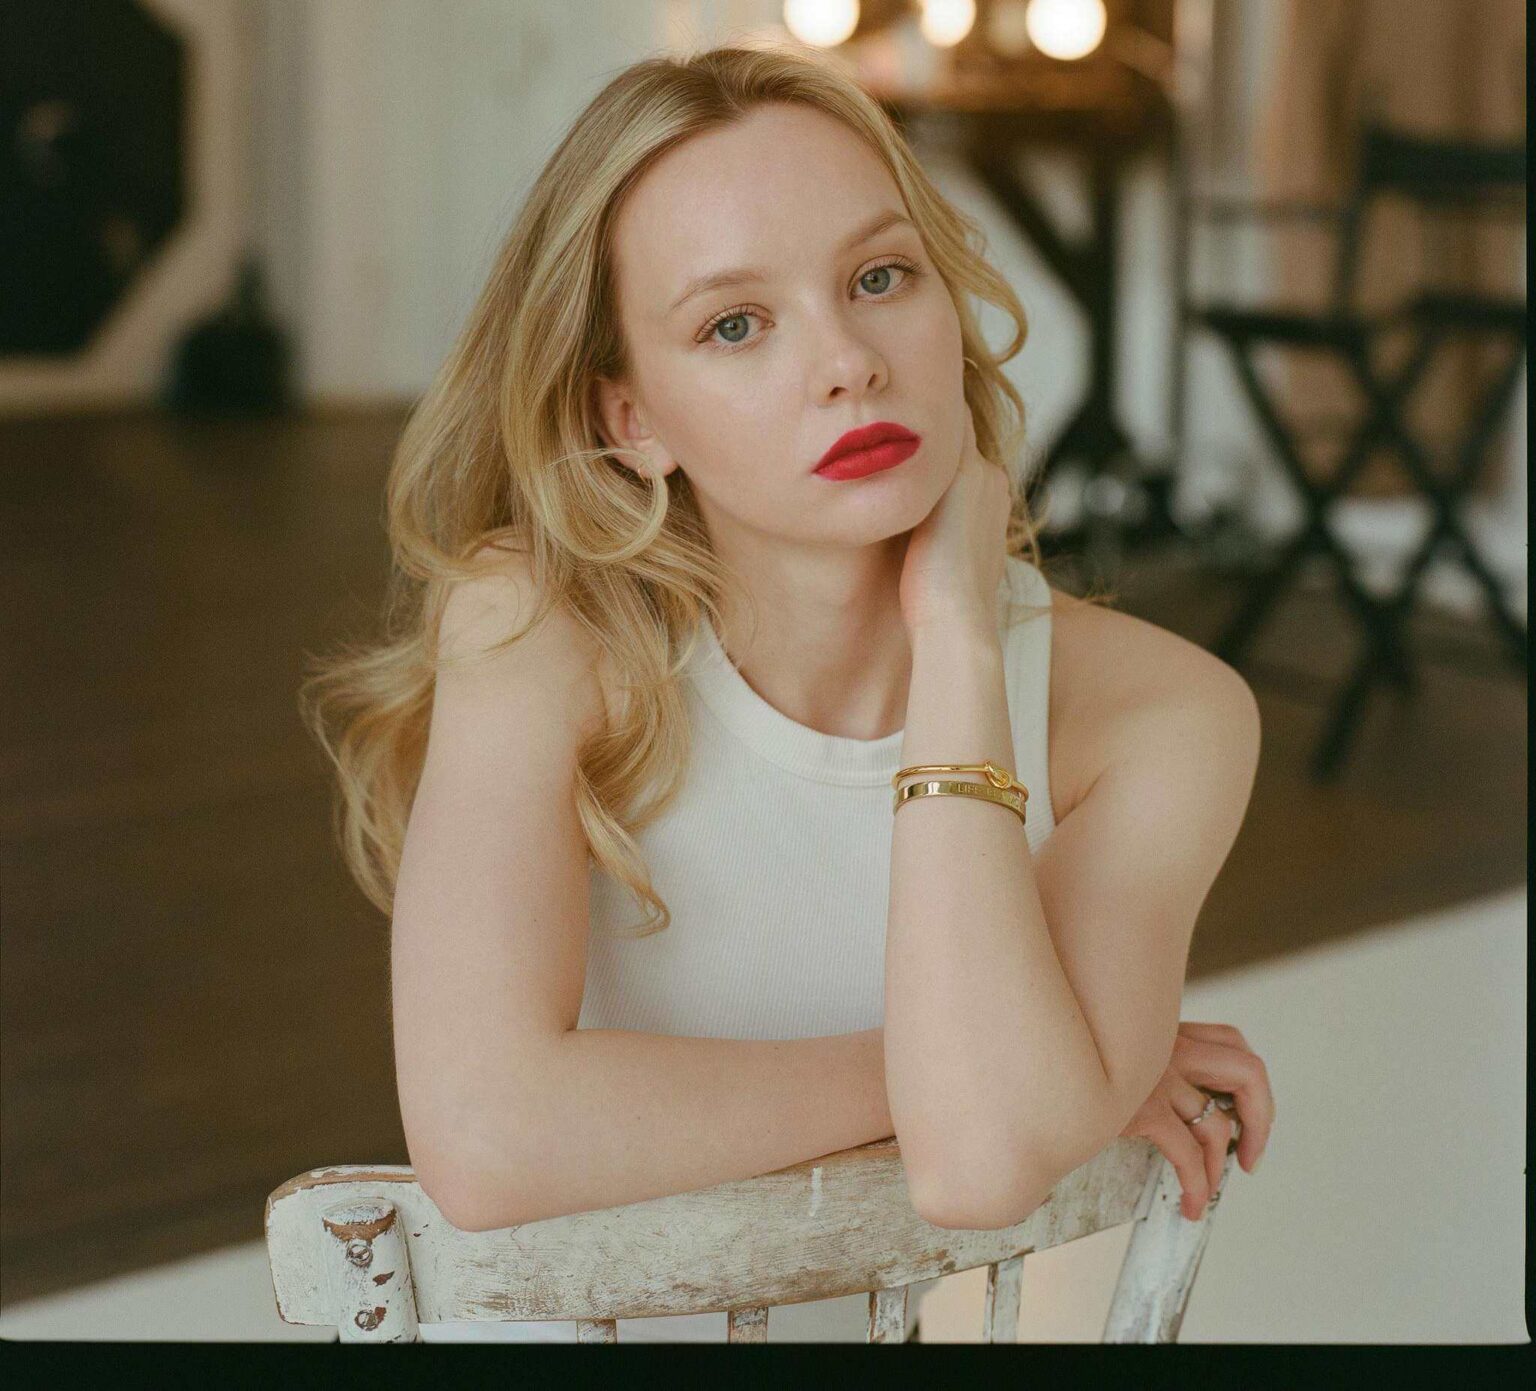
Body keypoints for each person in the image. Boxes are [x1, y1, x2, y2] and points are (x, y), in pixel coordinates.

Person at [300, 42, 1275, 1344]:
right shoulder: (536, 625)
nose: (849, 362)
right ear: (632, 415)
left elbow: (979, 1163)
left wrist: (960, 641)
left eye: (881, 277)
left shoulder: (1167, 715)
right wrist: (1070, 1071)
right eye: (735, 324)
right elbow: (485, 1138)